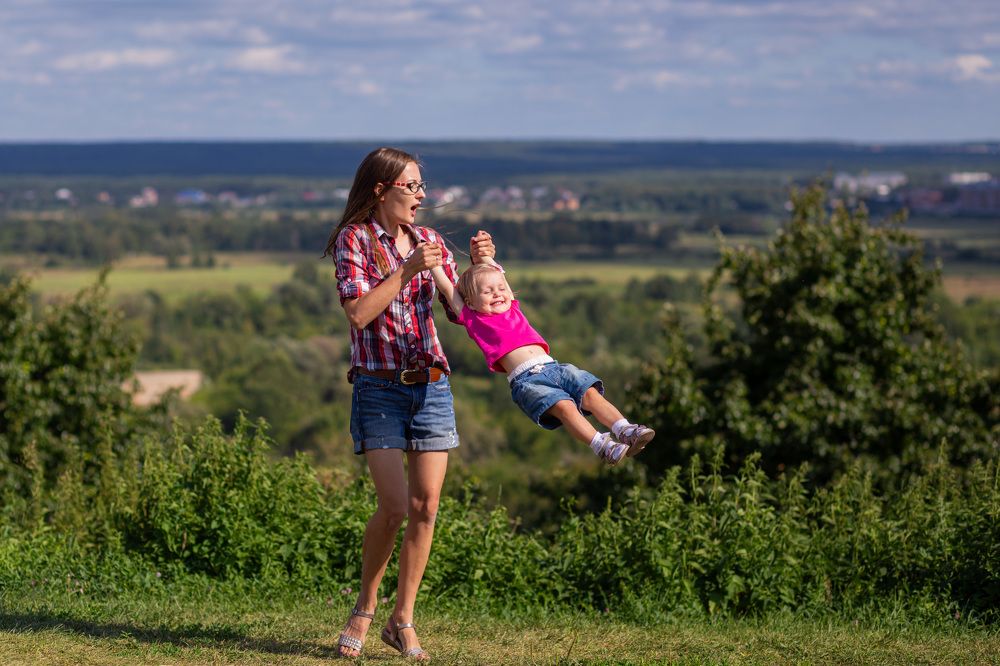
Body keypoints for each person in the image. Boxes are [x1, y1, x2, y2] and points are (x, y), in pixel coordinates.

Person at [322, 147, 495, 660]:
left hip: (432, 385)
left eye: (422, 186)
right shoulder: (353, 240)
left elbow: (465, 315)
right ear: (381, 190)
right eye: (412, 187)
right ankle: (365, 606)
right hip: (378, 389)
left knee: (426, 507)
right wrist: (406, 269)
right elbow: (358, 314)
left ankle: (404, 620)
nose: (422, 196)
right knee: (394, 506)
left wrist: (483, 268)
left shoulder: (431, 241)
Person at [429, 258, 655, 465]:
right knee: (565, 408)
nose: (498, 294)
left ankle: (625, 429)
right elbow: (449, 290)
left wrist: (487, 258)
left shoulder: (513, 307)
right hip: (527, 380)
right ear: (469, 302)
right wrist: (433, 264)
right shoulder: (473, 319)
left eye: (500, 289)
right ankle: (603, 446)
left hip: (555, 366)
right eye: (487, 292)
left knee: (590, 394)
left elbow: (501, 278)